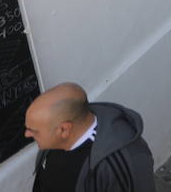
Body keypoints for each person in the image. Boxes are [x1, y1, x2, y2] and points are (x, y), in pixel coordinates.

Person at [24, 82, 155, 192]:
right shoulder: (52, 142)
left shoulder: (124, 161)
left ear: (64, 130)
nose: (27, 134)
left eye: (34, 131)